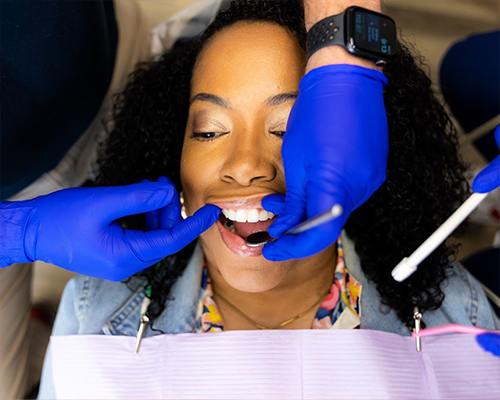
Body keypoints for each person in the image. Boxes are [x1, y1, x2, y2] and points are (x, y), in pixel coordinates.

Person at [38, 0, 500, 396]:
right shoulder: (92, 312)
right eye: (209, 131)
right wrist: (17, 232)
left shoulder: (457, 317)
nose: (244, 164)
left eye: (285, 127)